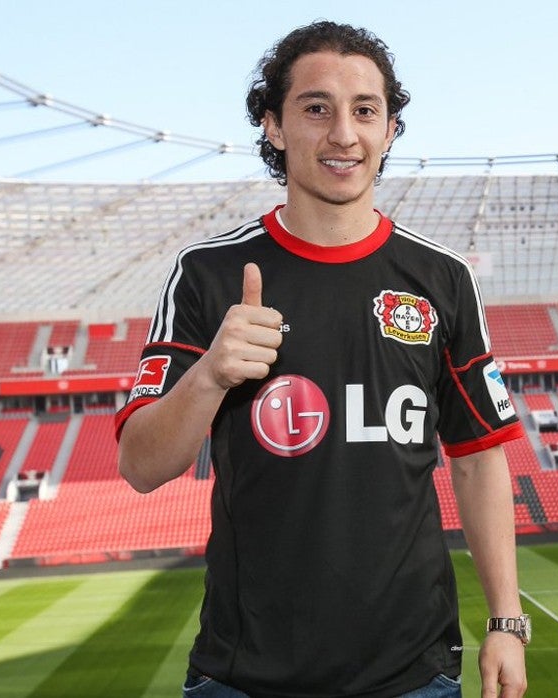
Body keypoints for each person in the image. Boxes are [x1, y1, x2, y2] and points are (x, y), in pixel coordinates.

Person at [116, 20, 529, 698]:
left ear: (390, 129)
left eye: (365, 110)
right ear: (274, 125)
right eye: (316, 108)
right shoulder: (208, 274)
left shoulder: (442, 279)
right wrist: (212, 373)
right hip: (244, 676)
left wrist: (507, 621)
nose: (344, 133)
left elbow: (481, 455)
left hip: (415, 675)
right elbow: (140, 464)